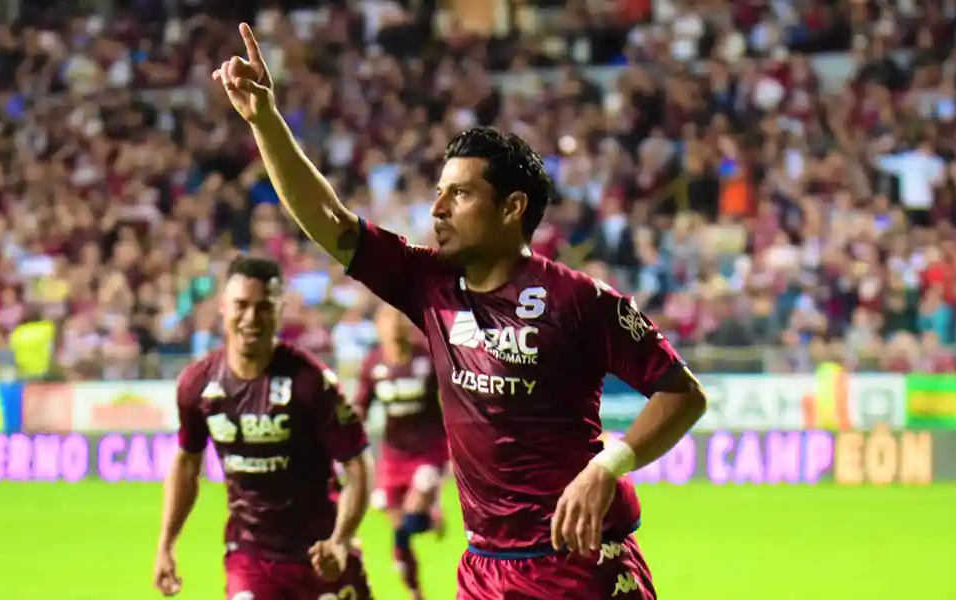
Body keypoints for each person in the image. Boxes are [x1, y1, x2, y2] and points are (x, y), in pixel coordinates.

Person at [213, 24, 708, 599]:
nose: (438, 207)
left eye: (461, 194)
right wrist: (265, 120)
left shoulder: (581, 301)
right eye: (439, 191)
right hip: (484, 568)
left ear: (512, 208)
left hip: (578, 561)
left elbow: (683, 393)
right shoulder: (428, 283)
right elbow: (329, 219)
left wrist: (607, 467)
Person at [153, 256, 374, 600]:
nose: (251, 318)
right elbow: (186, 463)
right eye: (241, 305)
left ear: (279, 310)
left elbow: (358, 465)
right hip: (251, 556)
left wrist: (341, 540)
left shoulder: (310, 382)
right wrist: (166, 543)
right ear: (223, 307)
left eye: (264, 307)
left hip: (321, 554)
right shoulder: (197, 385)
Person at [354, 303, 448, 600]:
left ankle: (427, 515)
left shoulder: (427, 357)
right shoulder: (373, 365)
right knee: (400, 538)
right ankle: (416, 593)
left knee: (409, 518)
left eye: (399, 318)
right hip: (393, 456)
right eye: (388, 320)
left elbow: (452, 394)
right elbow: (361, 407)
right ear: (379, 327)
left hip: (428, 452)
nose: (395, 326)